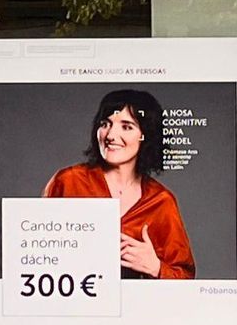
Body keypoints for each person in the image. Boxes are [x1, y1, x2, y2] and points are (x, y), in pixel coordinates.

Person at [44, 88, 196, 279]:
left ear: (146, 135)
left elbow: (185, 278)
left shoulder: (162, 202)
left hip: (138, 307)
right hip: (73, 305)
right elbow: (36, 252)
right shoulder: (68, 181)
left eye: (126, 126)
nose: (110, 135)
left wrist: (156, 268)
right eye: (105, 124)